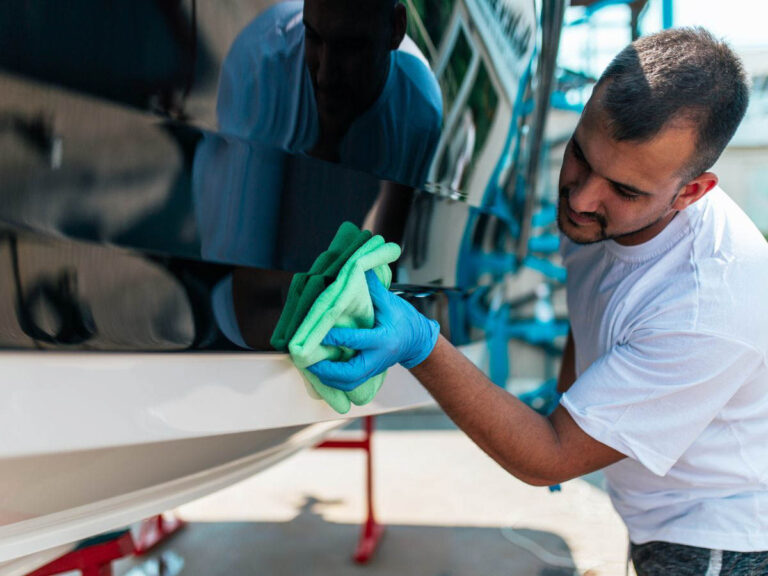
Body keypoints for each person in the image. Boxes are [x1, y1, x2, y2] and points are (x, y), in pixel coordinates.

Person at [308, 28, 768, 575]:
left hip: (719, 540)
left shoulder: (707, 306)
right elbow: (592, 308)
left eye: (623, 190)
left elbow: (549, 455)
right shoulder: (601, 223)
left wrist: (420, 345)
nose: (580, 197)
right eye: (579, 155)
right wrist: (571, 401)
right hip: (661, 515)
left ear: (691, 192)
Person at [215, 0, 443, 187]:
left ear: (396, 29)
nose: (324, 76)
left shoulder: (421, 117)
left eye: (350, 47)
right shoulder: (256, 72)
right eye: (313, 36)